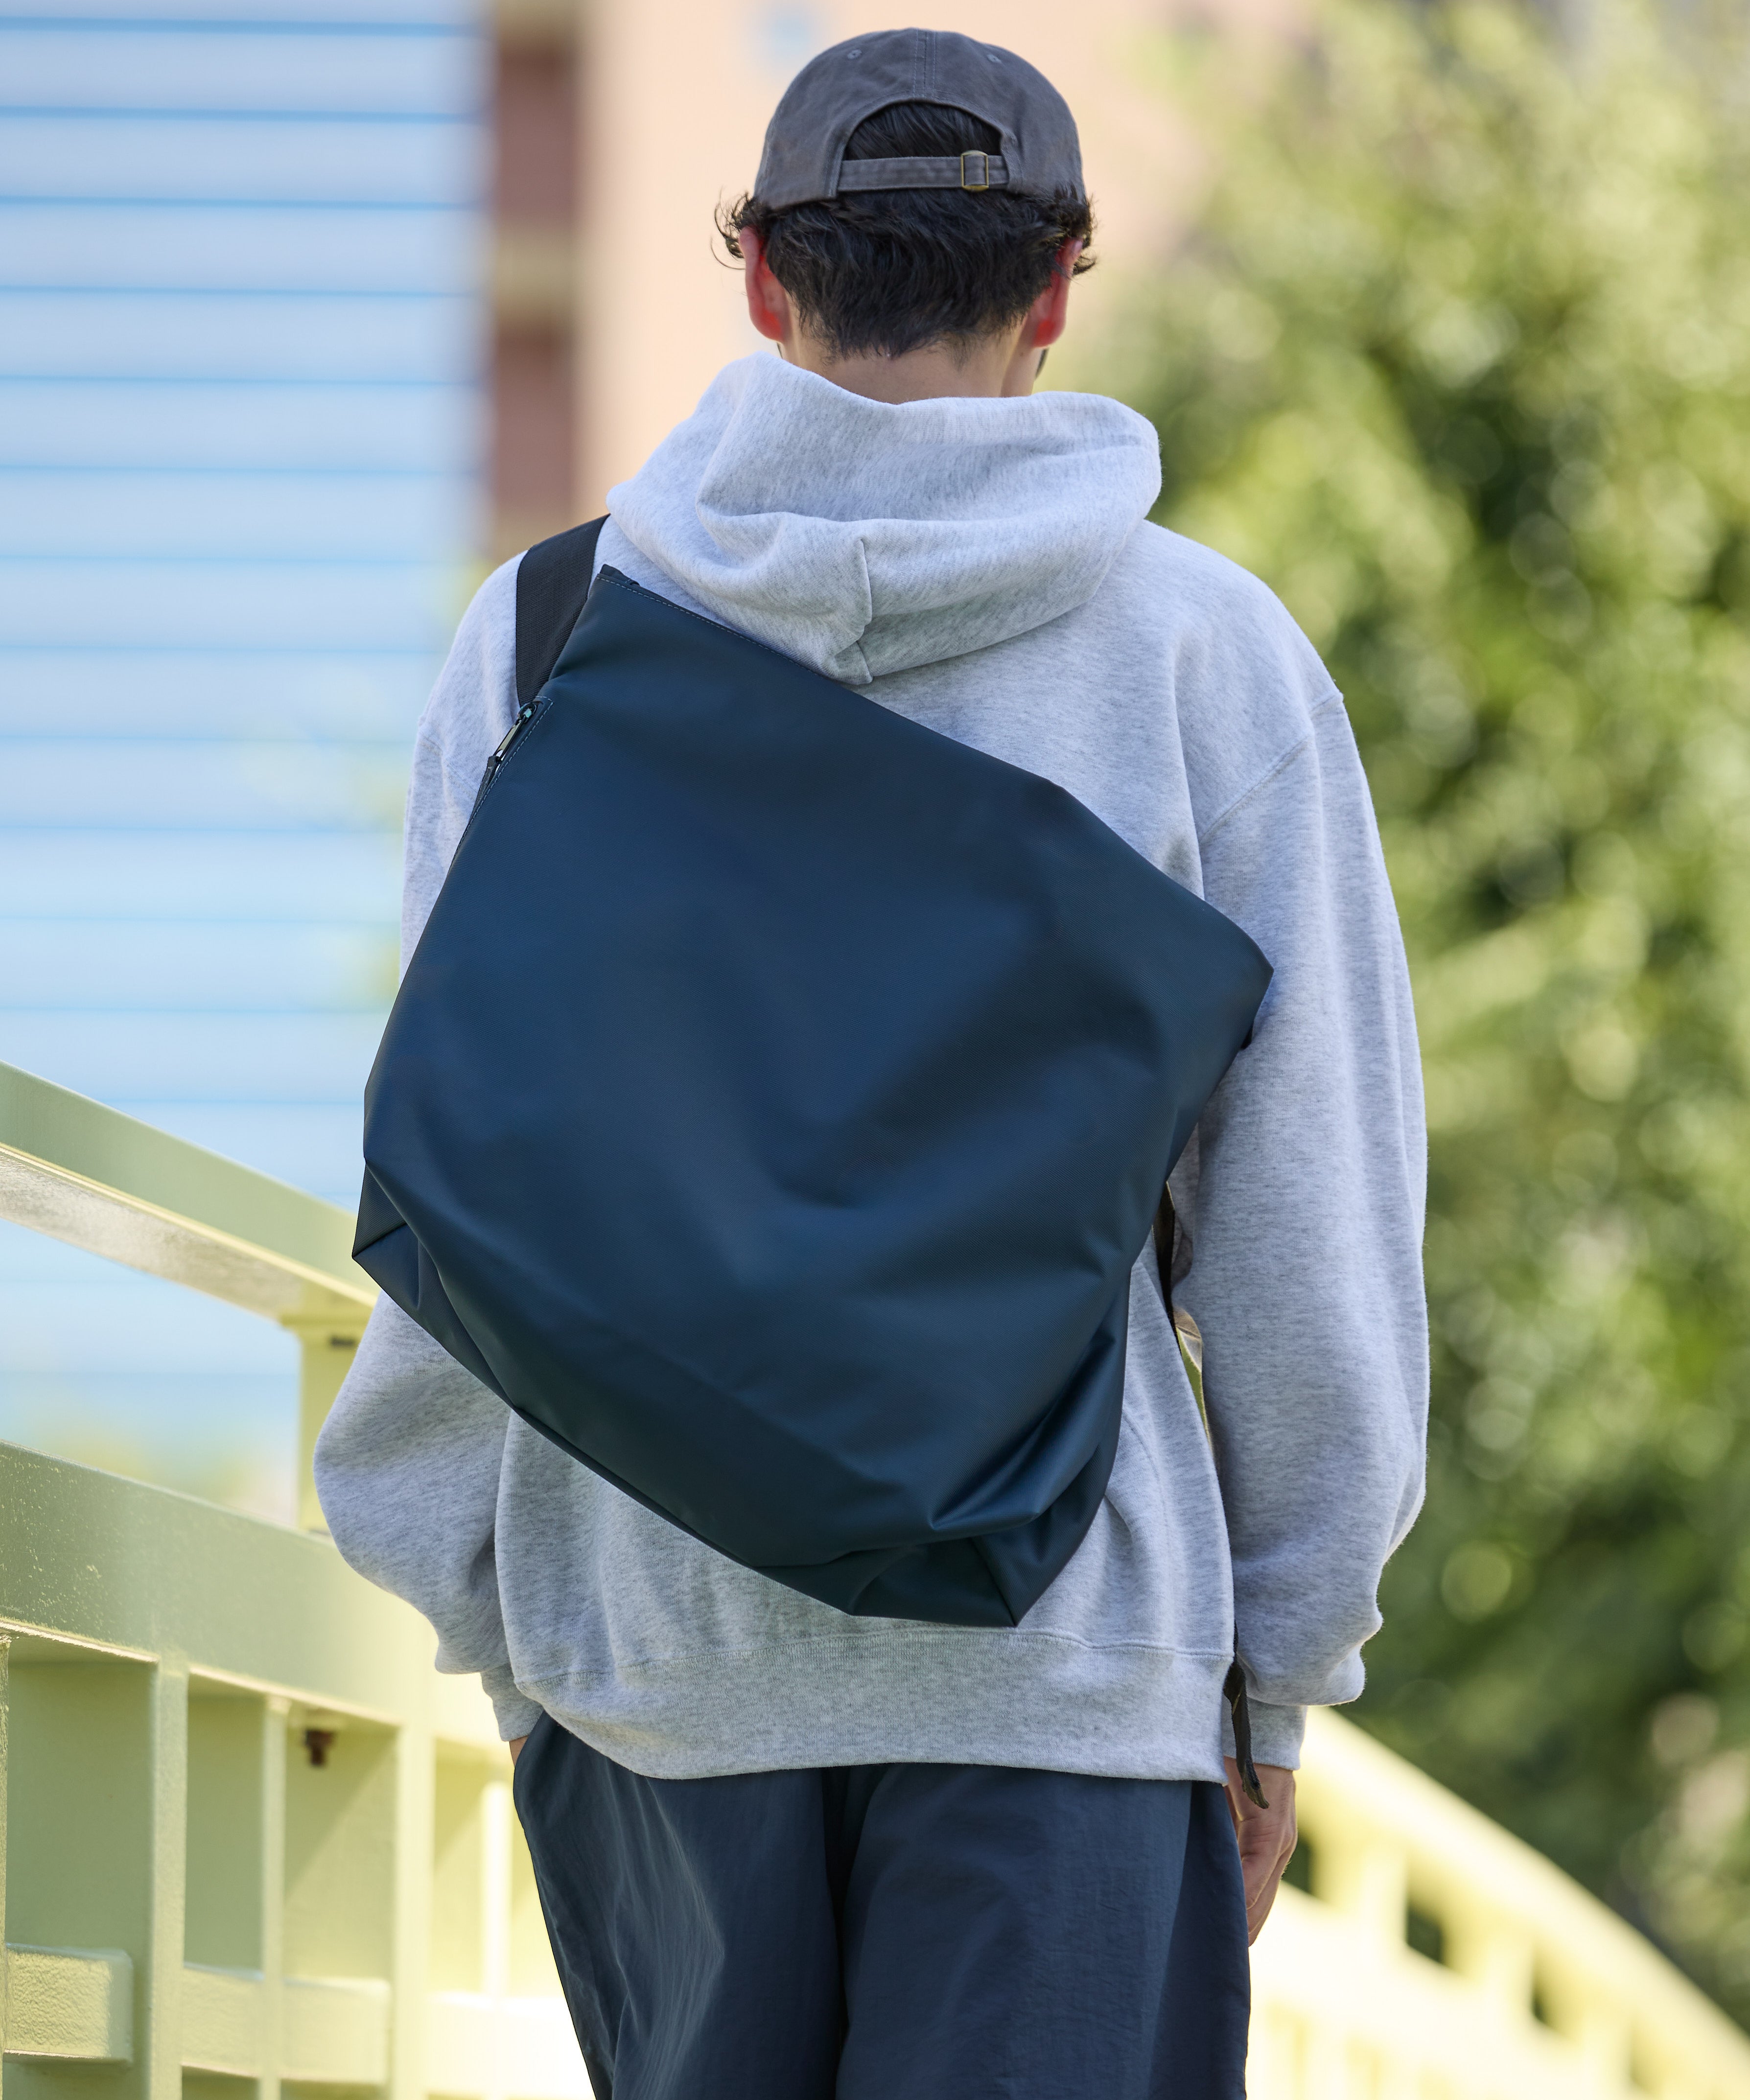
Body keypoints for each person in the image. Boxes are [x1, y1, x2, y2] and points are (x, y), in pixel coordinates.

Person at [316, 27, 1427, 2099]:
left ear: (761, 278)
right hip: (1065, 1672)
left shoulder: (549, 635)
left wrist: (486, 1598)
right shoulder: (1205, 655)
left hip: (646, 1663)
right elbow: (1309, 1231)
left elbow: (471, 1158)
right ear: (1060, 283)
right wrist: (1283, 1668)